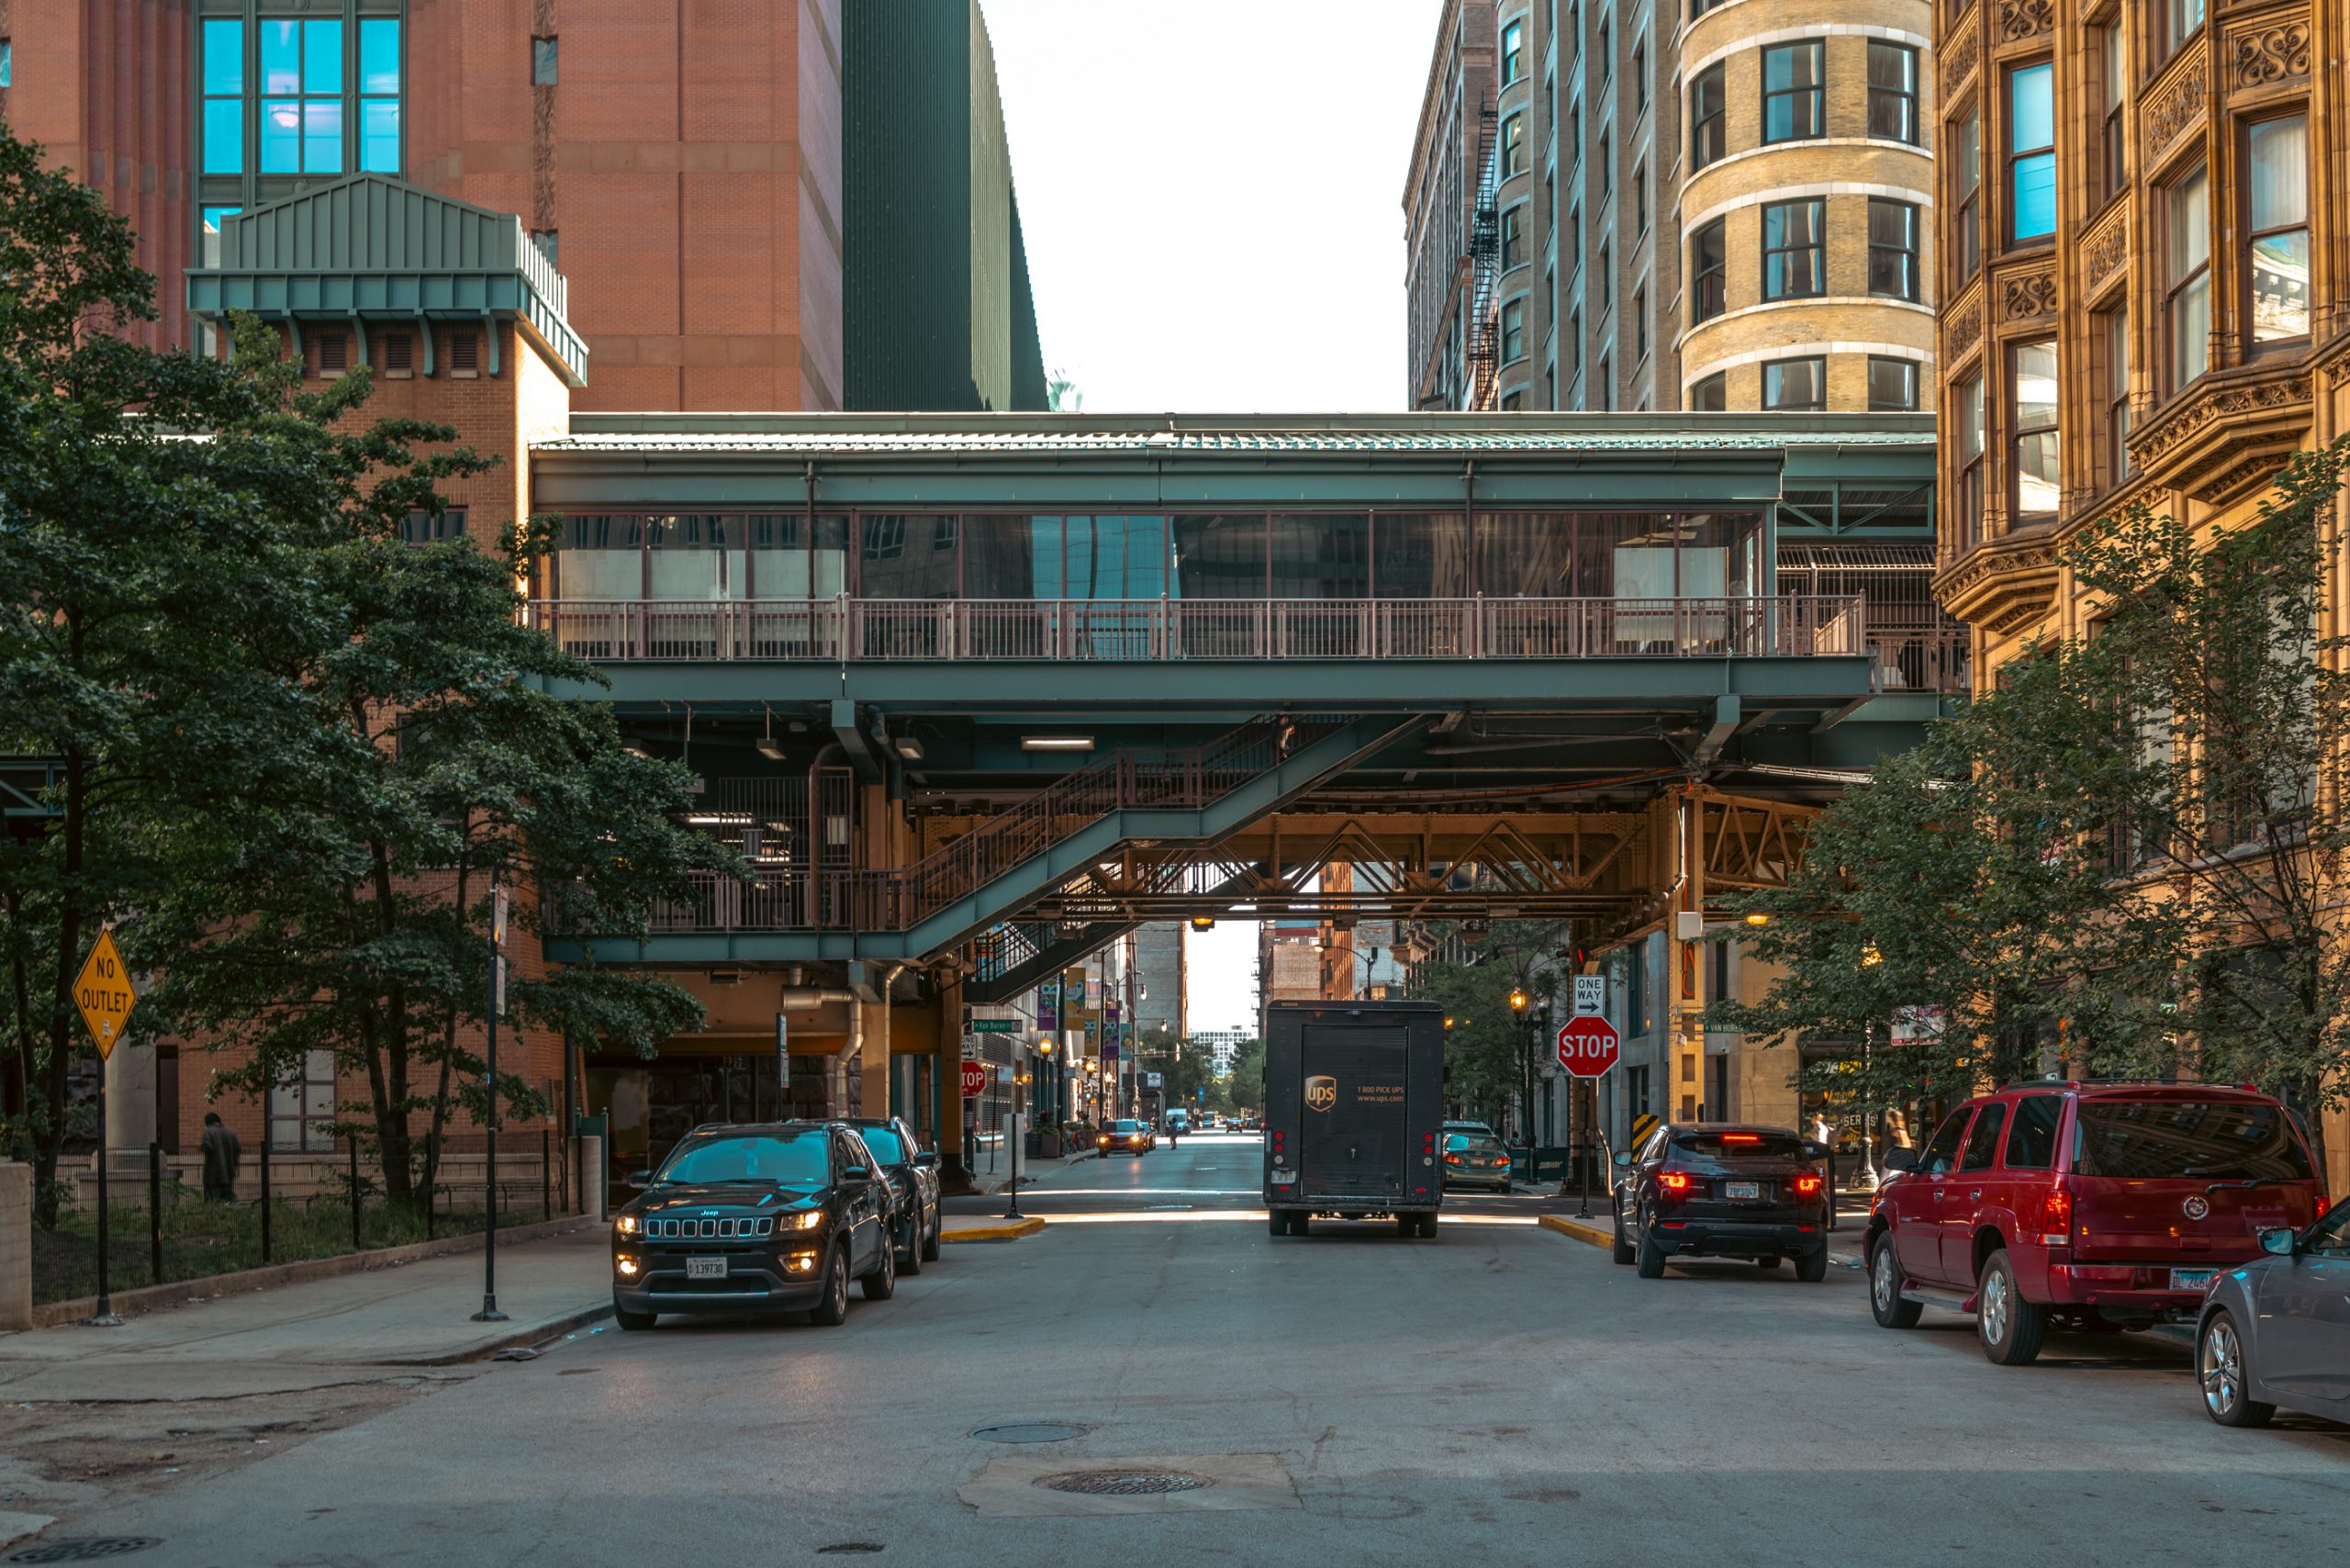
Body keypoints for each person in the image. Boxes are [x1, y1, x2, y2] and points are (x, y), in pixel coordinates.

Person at [200, 1112, 242, 1203]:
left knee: (213, 1199)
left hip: (213, 1173)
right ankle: (235, 1208)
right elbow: (238, 1148)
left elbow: (207, 1146)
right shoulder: (231, 1133)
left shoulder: (208, 1132)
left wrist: (202, 1147)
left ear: (207, 1123)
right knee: (228, 1195)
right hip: (229, 1171)